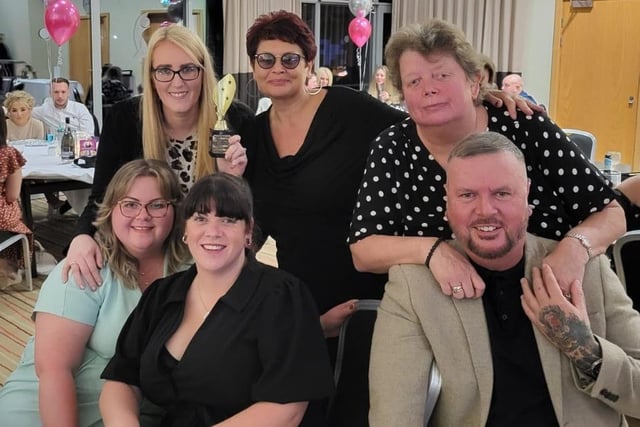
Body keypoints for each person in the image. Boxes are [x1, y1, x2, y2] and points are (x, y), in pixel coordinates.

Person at [241, 10, 535, 340]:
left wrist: (480, 101)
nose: (277, 68)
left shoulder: (348, 110)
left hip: (373, 299)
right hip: (303, 308)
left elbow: (425, 123)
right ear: (252, 66)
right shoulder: (251, 136)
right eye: (265, 59)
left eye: (290, 59)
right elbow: (250, 225)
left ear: (309, 63)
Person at [369, 132, 640, 426]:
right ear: (447, 205)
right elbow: (393, 417)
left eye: (502, 193)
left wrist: (586, 350)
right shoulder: (413, 287)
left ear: (527, 198)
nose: (485, 210)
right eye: (467, 195)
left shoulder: (587, 268)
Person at [349, 19, 624, 299]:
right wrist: (432, 250)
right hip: (443, 310)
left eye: (442, 76)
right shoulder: (394, 147)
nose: (428, 89)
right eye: (414, 81)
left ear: (474, 81)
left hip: (548, 295)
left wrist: (575, 247)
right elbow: (364, 248)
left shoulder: (525, 125)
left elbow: (611, 213)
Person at [99, 173, 334, 426]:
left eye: (228, 220)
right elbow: (121, 379)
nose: (213, 231)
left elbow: (286, 410)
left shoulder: (283, 297)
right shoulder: (162, 295)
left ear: (248, 231)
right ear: (185, 231)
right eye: (200, 218)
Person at [0, 159, 189, 426]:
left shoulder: (190, 269)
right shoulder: (85, 266)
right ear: (111, 210)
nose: (142, 215)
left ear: (174, 210)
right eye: (130, 204)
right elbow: (54, 371)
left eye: (157, 205)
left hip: (126, 415)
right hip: (44, 413)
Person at [62, 24, 250, 289]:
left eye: (188, 69)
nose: (177, 81)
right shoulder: (125, 119)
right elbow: (102, 197)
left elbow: (252, 215)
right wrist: (82, 235)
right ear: (150, 76)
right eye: (164, 70)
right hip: (142, 253)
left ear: (203, 72)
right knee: (73, 276)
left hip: (213, 255)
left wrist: (232, 181)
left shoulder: (236, 121)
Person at [33, 77, 96, 216]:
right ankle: (80, 210)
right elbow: (23, 110)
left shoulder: (79, 109)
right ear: (50, 92)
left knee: (84, 174)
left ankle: (87, 211)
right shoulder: (44, 110)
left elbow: (88, 134)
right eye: (56, 92)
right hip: (56, 154)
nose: (60, 96)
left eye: (63, 92)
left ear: (68, 92)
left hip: (79, 151)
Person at [0, 114, 30, 288]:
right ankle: (10, 267)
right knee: (16, 215)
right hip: (2, 220)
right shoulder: (8, 154)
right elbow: (12, 195)